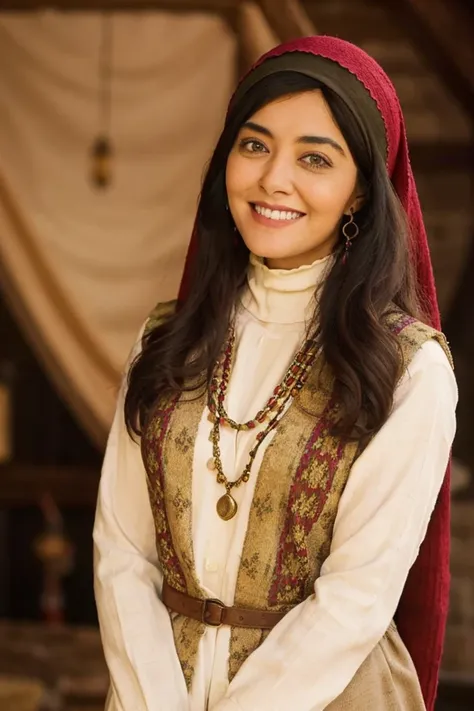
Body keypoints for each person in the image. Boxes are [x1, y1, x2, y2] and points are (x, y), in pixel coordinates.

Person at [93, 36, 457, 711]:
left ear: (359, 193)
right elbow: (122, 553)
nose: (273, 179)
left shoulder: (411, 371)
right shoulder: (167, 339)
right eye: (254, 145)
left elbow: (357, 597)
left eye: (315, 158)